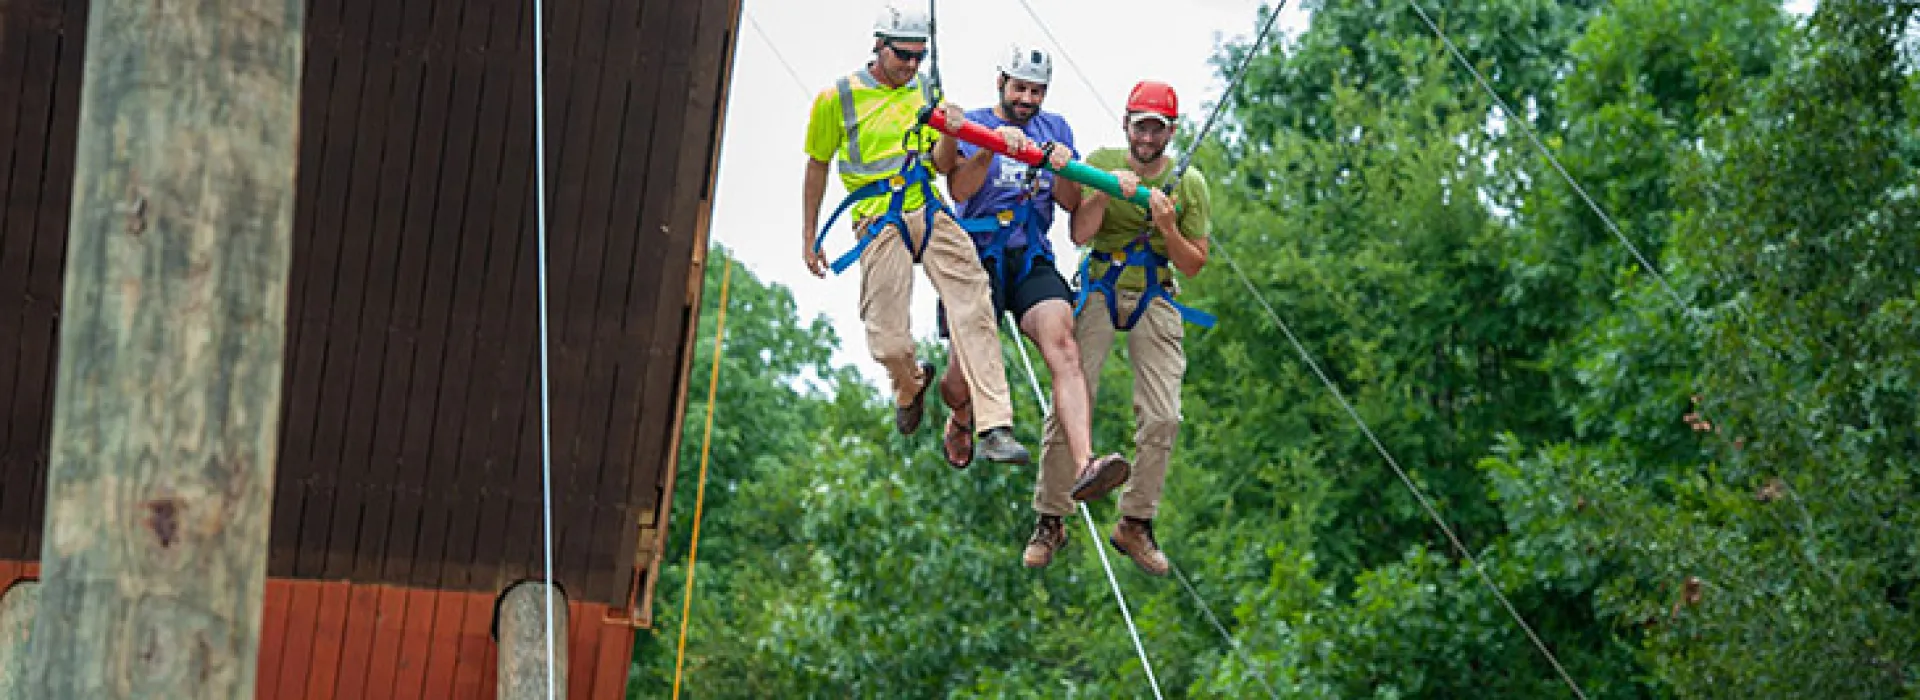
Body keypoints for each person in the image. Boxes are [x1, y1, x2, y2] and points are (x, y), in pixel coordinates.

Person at [926, 43, 1131, 565]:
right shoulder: (974, 122)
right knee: (959, 379)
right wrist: (994, 146)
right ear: (1002, 83)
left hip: (1031, 255)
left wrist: (1064, 168)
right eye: (1019, 88)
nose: (1027, 99)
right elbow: (960, 188)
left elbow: (1067, 205)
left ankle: (1085, 462)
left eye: (1036, 91)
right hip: (977, 255)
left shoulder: (1055, 128)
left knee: (1063, 345)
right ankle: (962, 416)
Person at [800, 3, 1030, 464]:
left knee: (975, 302)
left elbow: (946, 166)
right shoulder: (838, 98)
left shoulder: (926, 89)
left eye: (918, 58)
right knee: (888, 342)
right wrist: (809, 235)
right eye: (902, 56)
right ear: (878, 46)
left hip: (928, 207)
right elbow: (817, 165)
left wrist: (950, 128)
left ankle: (994, 426)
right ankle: (909, 386)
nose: (910, 66)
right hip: (877, 218)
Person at [1027, 80, 1211, 576]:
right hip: (1102, 282)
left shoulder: (1189, 184)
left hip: (1156, 289)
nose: (1146, 138)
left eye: (1156, 129)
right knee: (1072, 397)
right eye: (1140, 126)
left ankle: (1136, 520)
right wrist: (1108, 192)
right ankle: (1050, 517)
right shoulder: (1104, 160)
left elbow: (1194, 264)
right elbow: (1079, 234)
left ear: (1170, 131)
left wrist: (1168, 227)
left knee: (1164, 415)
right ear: (1126, 124)